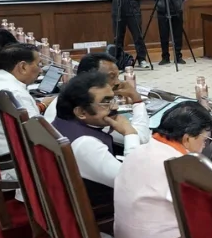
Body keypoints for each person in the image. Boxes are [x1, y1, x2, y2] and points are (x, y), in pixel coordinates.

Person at [112, 102, 212, 238]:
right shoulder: (177, 168)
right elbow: (209, 218)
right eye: (205, 140)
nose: (204, 146)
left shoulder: (138, 152)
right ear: (187, 138)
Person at [51, 70, 150, 208]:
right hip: (102, 208)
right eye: (106, 102)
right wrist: (129, 132)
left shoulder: (61, 122)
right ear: (81, 112)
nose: (115, 107)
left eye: (113, 99)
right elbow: (133, 183)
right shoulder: (86, 144)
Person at [0, 44, 41, 158]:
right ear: (23, 67)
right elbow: (39, 135)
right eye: (38, 64)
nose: (40, 70)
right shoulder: (15, 93)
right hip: (11, 159)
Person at [44, 52, 123, 124]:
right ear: (86, 76)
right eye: (111, 76)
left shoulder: (73, 97)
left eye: (117, 77)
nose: (117, 82)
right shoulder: (71, 107)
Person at [107, 0, 149, 69]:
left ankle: (142, 59)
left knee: (138, 37)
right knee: (118, 38)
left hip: (133, 13)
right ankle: (118, 60)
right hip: (118, 13)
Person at [151, 0, 189, 65]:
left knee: (177, 35)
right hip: (162, 12)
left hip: (176, 11)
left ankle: (178, 56)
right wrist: (161, 3)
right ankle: (165, 57)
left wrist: (176, 3)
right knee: (163, 35)